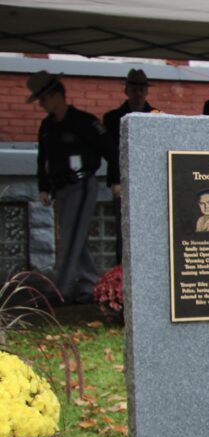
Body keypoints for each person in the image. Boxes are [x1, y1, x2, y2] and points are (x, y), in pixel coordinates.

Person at [29, 70, 115, 305]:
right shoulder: (48, 126)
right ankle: (89, 285)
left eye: (44, 100)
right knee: (77, 237)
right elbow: (43, 158)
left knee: (69, 237)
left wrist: (116, 180)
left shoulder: (84, 122)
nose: (42, 105)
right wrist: (43, 187)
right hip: (61, 189)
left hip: (82, 185)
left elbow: (111, 151)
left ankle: (60, 291)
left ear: (57, 96)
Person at [103, 68, 159, 264]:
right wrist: (117, 181)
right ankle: (121, 272)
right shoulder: (112, 119)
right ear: (126, 90)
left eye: (141, 89)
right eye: (134, 89)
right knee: (124, 232)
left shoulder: (156, 117)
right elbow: (112, 153)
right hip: (123, 183)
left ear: (147, 91)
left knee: (150, 229)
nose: (138, 93)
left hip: (149, 183)